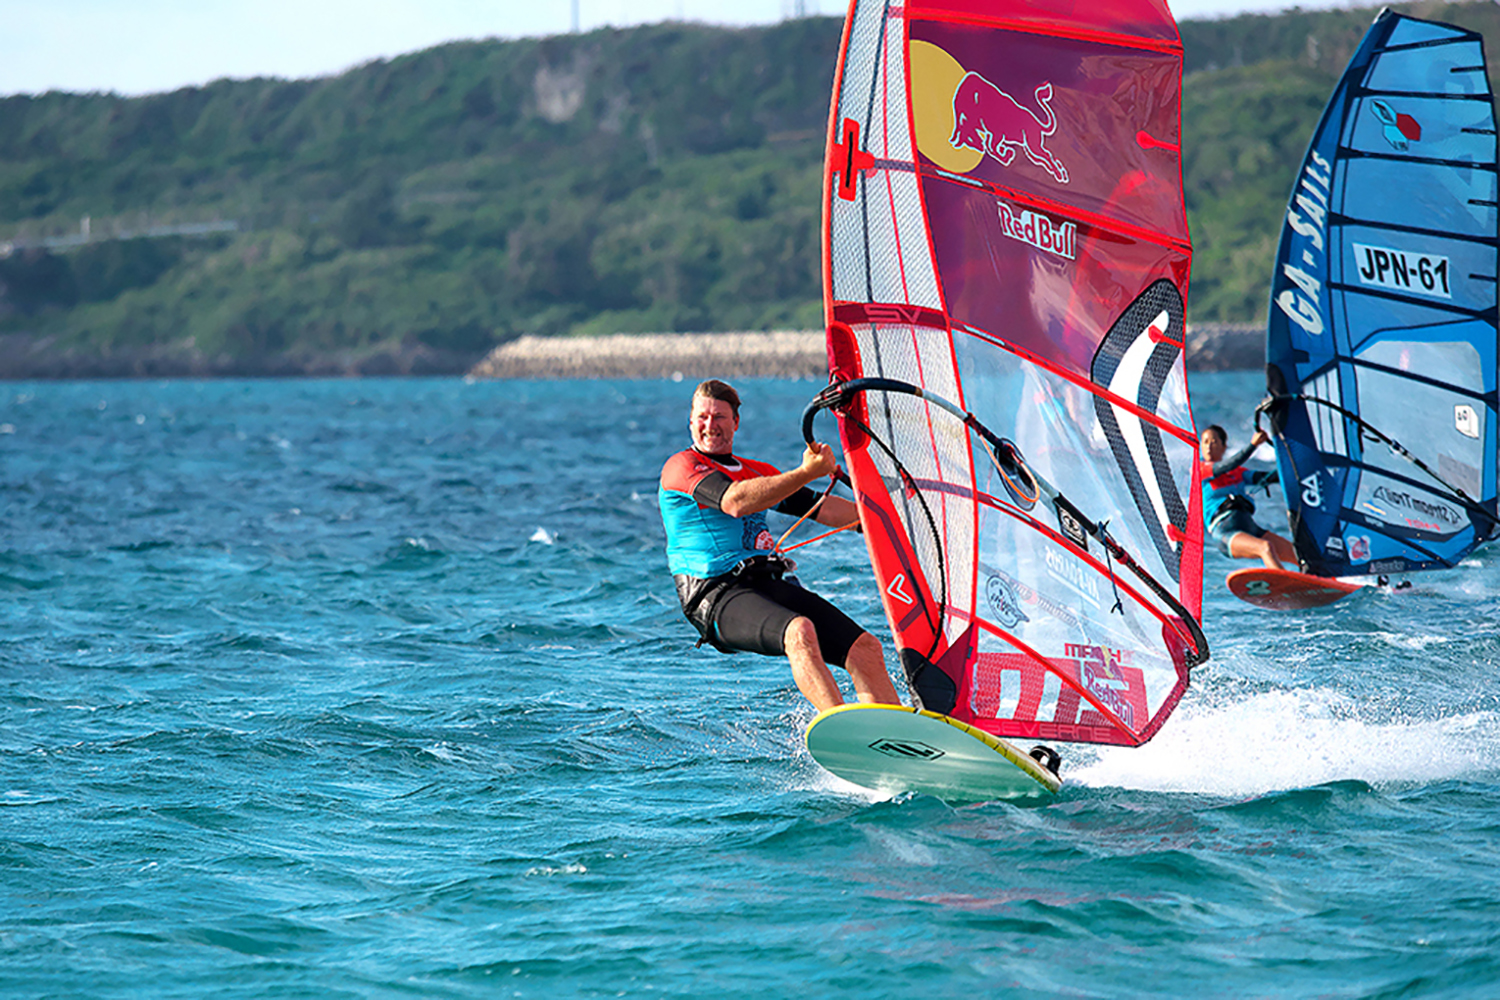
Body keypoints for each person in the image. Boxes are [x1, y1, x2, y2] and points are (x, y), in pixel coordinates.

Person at [659, 379, 900, 711]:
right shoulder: (682, 467)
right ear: (690, 421)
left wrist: (890, 521)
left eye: (719, 417)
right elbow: (735, 502)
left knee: (866, 648)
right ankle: (846, 730)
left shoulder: (757, 471)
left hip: (765, 585)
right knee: (799, 631)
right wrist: (806, 471)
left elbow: (822, 508)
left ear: (736, 422)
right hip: (714, 595)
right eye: (701, 417)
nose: (709, 425)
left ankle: (898, 735)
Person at [1199, 423, 1298, 570]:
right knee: (1265, 548)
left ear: (1224, 447)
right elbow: (1226, 466)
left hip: (1250, 527)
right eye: (1205, 442)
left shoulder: (1238, 473)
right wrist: (1253, 446)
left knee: (1297, 555)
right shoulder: (1201, 470)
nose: (1209, 446)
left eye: (1214, 442)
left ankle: (1326, 582)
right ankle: (1287, 588)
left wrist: (1297, 467)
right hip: (1225, 532)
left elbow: (1268, 477)